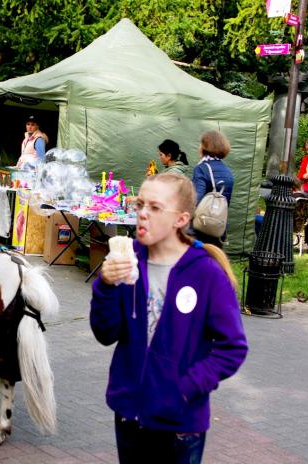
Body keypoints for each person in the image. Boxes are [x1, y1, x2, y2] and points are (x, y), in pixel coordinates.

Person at [90, 172, 247, 464]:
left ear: (181, 219)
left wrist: (185, 388)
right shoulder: (127, 260)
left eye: (155, 208)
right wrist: (106, 286)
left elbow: (233, 347)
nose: (142, 215)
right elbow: (105, 333)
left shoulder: (206, 273)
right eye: (140, 205)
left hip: (180, 424)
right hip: (129, 413)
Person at [191, 131, 234, 247]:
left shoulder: (202, 168)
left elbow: (196, 199)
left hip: (202, 228)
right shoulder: (227, 171)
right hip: (219, 226)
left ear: (205, 147)